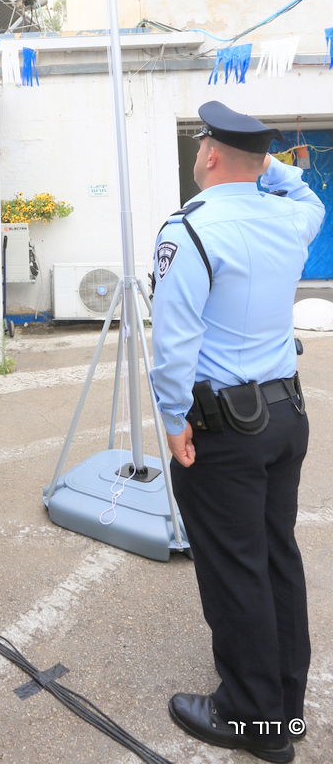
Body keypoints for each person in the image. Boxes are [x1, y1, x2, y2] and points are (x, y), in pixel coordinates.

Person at [150, 100, 324, 764]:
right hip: (286, 417)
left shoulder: (189, 230)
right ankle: (285, 698)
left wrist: (172, 422)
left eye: (200, 146)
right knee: (276, 555)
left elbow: (173, 345)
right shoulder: (289, 218)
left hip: (225, 425)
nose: (197, 154)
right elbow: (303, 195)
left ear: (213, 156)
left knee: (235, 566)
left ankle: (254, 719)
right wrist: (272, 169)